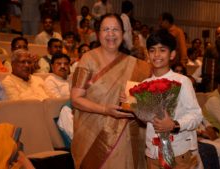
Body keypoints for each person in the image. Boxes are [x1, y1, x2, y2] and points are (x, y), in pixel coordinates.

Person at [70, 13, 151, 169]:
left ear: (123, 33)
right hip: (92, 135)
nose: (111, 34)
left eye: (116, 29)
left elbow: (143, 103)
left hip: (124, 135)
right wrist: (106, 110)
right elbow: (75, 99)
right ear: (98, 33)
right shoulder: (88, 59)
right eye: (106, 29)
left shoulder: (135, 65)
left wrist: (135, 101)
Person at [144, 29, 203, 169]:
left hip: (178, 152)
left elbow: (196, 115)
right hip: (152, 152)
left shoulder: (182, 81)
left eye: (162, 50)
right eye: (152, 50)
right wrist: (130, 104)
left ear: (172, 54)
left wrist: (174, 125)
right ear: (148, 54)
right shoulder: (144, 84)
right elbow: (146, 118)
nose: (156, 55)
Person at [201, 26, 220, 92]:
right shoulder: (210, 49)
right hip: (212, 81)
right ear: (215, 35)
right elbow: (205, 66)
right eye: (218, 34)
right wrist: (206, 80)